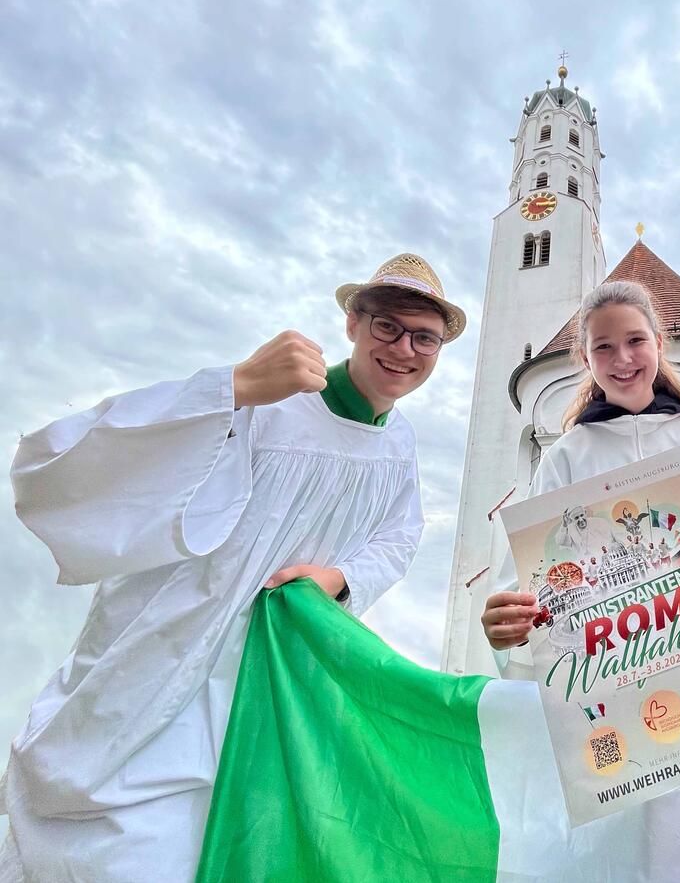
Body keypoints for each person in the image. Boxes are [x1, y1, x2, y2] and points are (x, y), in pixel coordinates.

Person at [0, 254, 465, 882]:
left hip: (261, 676)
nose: (404, 349)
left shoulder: (400, 445)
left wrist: (341, 578)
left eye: (424, 338)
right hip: (169, 649)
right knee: (115, 845)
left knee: (207, 845)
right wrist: (234, 388)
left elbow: (398, 538)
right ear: (353, 322)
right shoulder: (271, 402)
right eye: (387, 326)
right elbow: (101, 459)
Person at [479, 280, 680, 672]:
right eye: (603, 347)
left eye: (635, 341)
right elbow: (525, 579)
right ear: (584, 357)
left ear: (659, 344)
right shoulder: (565, 458)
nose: (622, 358)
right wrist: (507, 624)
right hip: (609, 665)